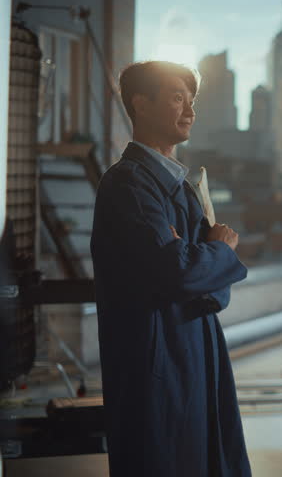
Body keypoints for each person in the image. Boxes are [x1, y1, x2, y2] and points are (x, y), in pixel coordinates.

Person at [90, 61, 251, 476]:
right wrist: (218, 252)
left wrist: (205, 263)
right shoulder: (128, 185)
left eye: (192, 101)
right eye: (177, 98)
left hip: (196, 354)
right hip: (156, 364)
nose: (190, 111)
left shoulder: (182, 189)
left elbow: (213, 291)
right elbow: (177, 274)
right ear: (140, 105)